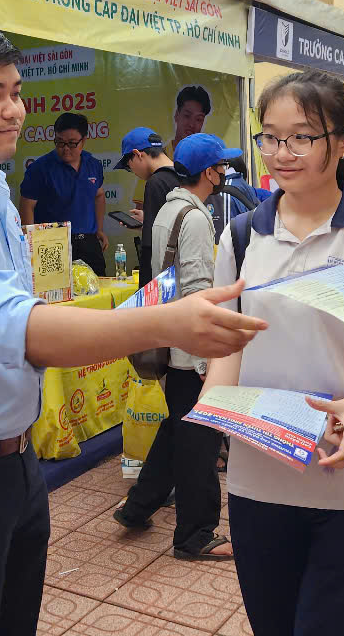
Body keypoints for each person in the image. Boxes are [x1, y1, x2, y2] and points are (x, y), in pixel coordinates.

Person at [0, 22, 264, 636]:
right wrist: (167, 322)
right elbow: (18, 328)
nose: (14, 110)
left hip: (11, 461)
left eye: (17, 92)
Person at [205, 69, 344, 636]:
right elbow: (229, 342)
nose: (282, 153)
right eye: (270, 137)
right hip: (259, 481)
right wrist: (215, 403)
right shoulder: (241, 237)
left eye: (302, 136)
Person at [115, 133, 241, 561]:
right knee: (199, 441)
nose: (226, 172)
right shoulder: (197, 217)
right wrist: (207, 357)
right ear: (209, 172)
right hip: (191, 350)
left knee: (175, 429)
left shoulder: (168, 210)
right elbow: (197, 290)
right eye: (222, 165)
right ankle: (195, 534)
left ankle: (138, 507)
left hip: (172, 343)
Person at [18, 111, 108, 276]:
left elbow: (99, 195)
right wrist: (30, 243)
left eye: (72, 143)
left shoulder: (93, 165)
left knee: (97, 287)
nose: (65, 149)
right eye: (60, 143)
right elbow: (27, 206)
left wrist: (99, 229)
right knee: (55, 293)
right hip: (51, 242)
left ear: (84, 141)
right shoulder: (40, 169)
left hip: (88, 240)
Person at [118, 126, 180, 286]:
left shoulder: (155, 182)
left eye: (128, 166)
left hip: (161, 277)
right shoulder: (183, 176)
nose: (132, 171)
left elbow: (150, 245)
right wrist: (146, 223)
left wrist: (145, 286)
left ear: (138, 154)